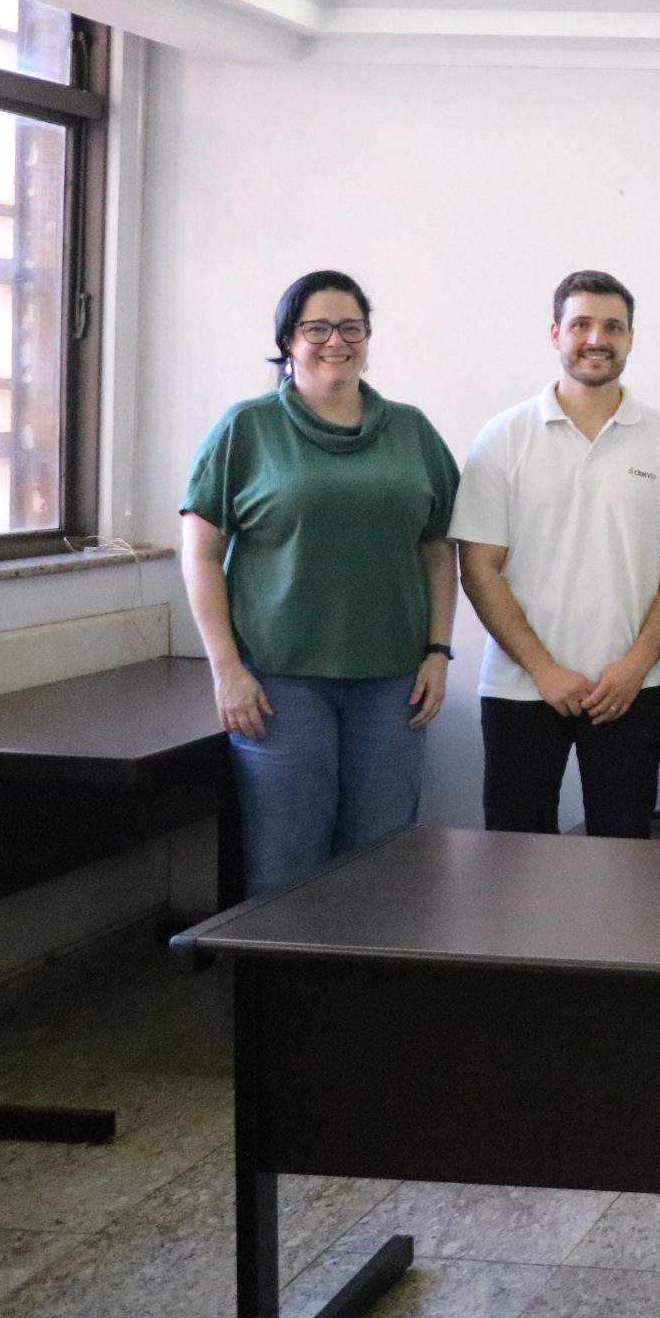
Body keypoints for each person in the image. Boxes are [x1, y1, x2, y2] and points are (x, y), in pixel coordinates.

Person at [180, 270, 459, 895]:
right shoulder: (246, 428)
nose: (336, 341)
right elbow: (200, 553)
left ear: (368, 336)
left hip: (393, 684)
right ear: (288, 338)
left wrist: (439, 652)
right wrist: (226, 668)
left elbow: (439, 547)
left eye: (351, 326)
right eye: (317, 327)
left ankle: (365, 991)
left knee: (383, 859)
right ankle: (285, 994)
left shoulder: (411, 429)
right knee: (287, 860)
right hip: (279, 684)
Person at [452, 270, 660, 839]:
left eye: (613, 326)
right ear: (555, 333)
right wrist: (543, 669)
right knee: (514, 860)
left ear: (631, 338)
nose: (596, 338)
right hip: (522, 687)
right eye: (582, 324)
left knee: (624, 858)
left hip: (632, 689)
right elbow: (479, 567)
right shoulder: (504, 437)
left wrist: (635, 664)